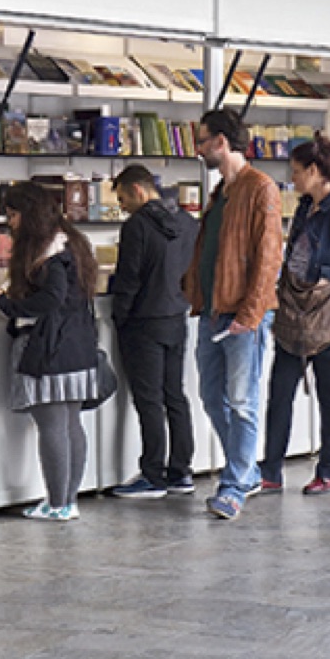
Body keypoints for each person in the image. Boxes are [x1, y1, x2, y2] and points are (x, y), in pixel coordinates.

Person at [182, 108, 284, 520]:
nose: (199, 148)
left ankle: (235, 483)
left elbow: (268, 257)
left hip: (242, 315)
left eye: (203, 140)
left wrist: (252, 312)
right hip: (212, 311)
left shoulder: (260, 188)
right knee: (211, 396)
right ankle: (247, 470)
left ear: (221, 141)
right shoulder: (221, 192)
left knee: (242, 400)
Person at [0, 182, 102, 521]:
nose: (10, 222)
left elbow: (51, 299)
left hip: (50, 350)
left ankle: (57, 504)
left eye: (13, 214)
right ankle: (67, 500)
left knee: (52, 425)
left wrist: (6, 304)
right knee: (70, 424)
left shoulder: (48, 252)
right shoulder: (72, 242)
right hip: (78, 347)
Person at [259, 136, 330, 495]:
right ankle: (270, 469)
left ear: (315, 172)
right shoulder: (305, 207)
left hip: (327, 314)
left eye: (298, 172)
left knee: (329, 394)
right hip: (294, 310)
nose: (294, 179)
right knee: (280, 391)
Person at [108, 165, 199, 499]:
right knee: (175, 395)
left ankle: (152, 473)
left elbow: (129, 278)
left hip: (143, 320)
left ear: (138, 190)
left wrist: (120, 316)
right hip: (176, 315)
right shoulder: (189, 223)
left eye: (122, 199)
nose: (122, 206)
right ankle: (181, 471)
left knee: (148, 400)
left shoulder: (137, 227)